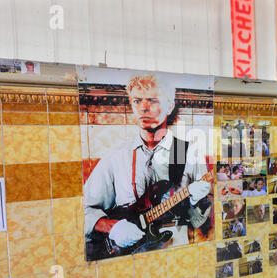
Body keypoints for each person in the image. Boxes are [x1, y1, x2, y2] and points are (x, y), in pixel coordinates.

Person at [84, 73, 212, 258]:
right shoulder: (116, 156)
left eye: (152, 100)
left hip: (177, 253)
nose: (143, 108)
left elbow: (198, 221)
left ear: (170, 105)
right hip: (128, 259)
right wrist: (113, 227)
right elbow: (84, 210)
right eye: (137, 101)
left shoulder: (186, 152)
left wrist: (198, 201)